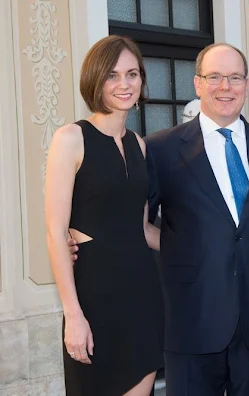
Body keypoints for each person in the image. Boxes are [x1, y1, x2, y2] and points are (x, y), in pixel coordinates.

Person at [144, 43, 249, 396]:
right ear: (197, 84)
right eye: (214, 77)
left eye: (235, 77)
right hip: (191, 320)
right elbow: (136, 225)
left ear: (247, 84)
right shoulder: (160, 150)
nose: (225, 87)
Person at [45, 35, 164, 395]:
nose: (124, 84)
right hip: (95, 296)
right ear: (95, 80)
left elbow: (141, 228)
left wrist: (201, 241)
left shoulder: (139, 145)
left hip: (143, 292)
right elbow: (54, 231)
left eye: (132, 74)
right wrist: (74, 316)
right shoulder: (71, 138)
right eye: (112, 75)